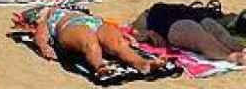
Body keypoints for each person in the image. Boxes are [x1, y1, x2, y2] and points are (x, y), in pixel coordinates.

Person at [24, 6, 165, 77]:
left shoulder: (75, 10)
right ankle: (99, 66)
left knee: (117, 43)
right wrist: (44, 47)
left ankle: (142, 63)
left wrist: (125, 35)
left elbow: (113, 26)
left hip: (96, 22)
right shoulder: (49, 18)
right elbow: (40, 36)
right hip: (71, 26)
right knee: (90, 43)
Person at [131, 2, 246, 64]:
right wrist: (149, 33)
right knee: (195, 30)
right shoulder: (149, 15)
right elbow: (135, 31)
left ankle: (240, 49)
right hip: (174, 25)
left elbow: (135, 30)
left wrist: (147, 32)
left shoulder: (154, 11)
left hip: (189, 18)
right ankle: (229, 56)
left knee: (210, 26)